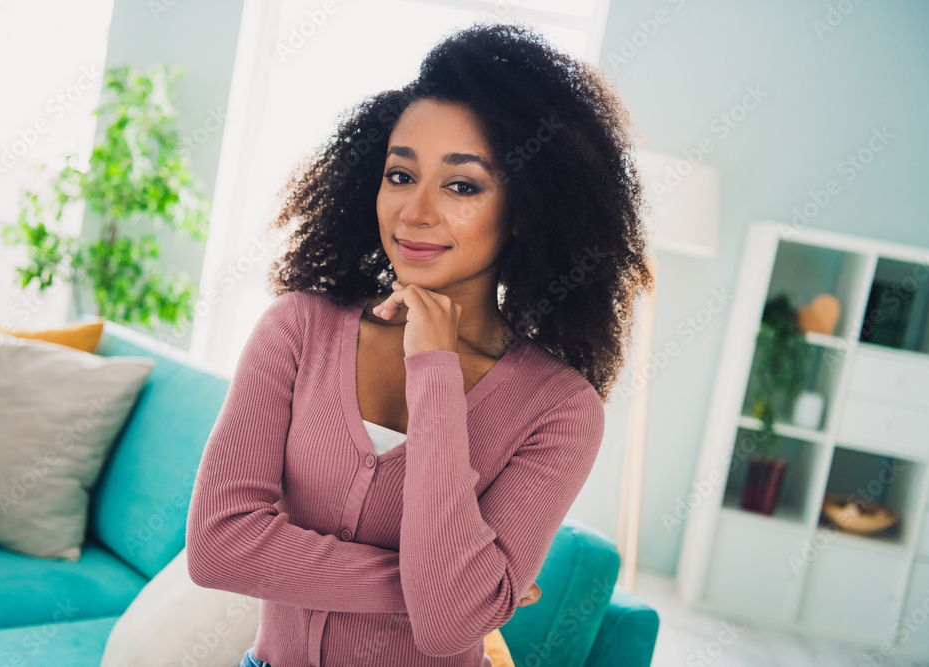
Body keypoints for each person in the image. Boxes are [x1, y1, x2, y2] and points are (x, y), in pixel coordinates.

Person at [186, 20, 653, 667]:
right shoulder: (299, 328)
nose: (416, 211)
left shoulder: (561, 410)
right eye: (401, 175)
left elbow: (445, 633)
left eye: (462, 185)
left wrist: (433, 368)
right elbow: (217, 547)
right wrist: (444, 592)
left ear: (524, 209)